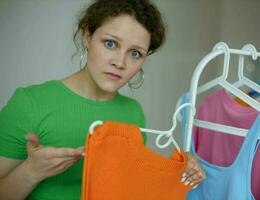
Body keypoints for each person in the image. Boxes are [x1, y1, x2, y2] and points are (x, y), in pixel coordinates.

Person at [0, 0, 205, 199]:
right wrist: (31, 171)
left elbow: (129, 187)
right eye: (110, 43)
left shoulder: (133, 112)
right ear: (87, 37)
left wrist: (179, 170)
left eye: (135, 53)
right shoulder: (30, 103)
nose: (119, 62)